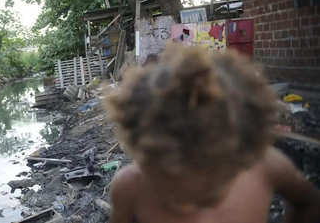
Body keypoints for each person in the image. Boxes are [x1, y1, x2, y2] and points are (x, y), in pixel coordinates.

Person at [104, 43, 320, 223]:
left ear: (243, 156)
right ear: (141, 155)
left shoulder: (265, 166)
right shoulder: (130, 187)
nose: (189, 209)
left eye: (212, 192)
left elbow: (307, 202)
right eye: (173, 190)